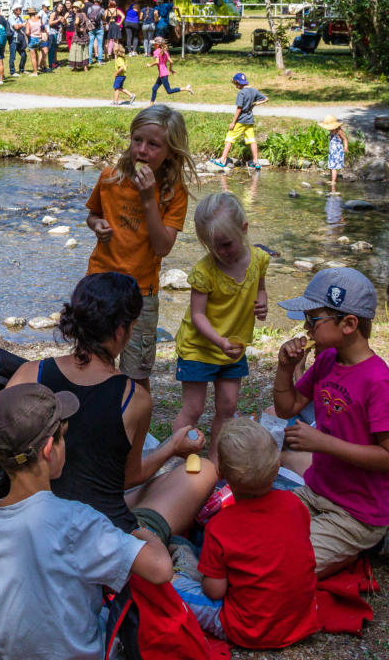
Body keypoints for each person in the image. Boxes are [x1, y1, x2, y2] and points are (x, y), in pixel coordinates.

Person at [0, 273, 217, 544]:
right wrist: (171, 448)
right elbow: (128, 478)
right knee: (205, 471)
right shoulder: (135, 398)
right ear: (121, 331)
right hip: (101, 531)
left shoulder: (30, 374)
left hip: (40, 520)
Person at [0, 381, 174, 660]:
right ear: (49, 449)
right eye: (64, 437)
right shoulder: (76, 520)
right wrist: (143, 532)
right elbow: (160, 570)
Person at [275, 267, 389, 577]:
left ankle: (372, 543)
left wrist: (324, 443)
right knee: (258, 534)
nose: (306, 329)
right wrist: (285, 368)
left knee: (285, 567)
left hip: (356, 515)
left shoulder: (377, 381)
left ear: (349, 323)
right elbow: (287, 408)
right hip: (316, 492)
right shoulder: (327, 360)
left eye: (313, 320)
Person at [172, 418, 318, 649]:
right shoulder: (294, 503)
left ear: (221, 475)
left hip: (248, 628)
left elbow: (215, 590)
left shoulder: (220, 526)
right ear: (278, 465)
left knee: (169, 586)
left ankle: (181, 557)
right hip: (300, 620)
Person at [86, 105, 196, 386]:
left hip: (141, 294)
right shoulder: (111, 176)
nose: (142, 150)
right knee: (91, 364)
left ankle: (134, 428)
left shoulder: (174, 193)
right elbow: (93, 214)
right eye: (138, 140)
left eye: (153, 144)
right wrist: (96, 225)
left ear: (171, 151)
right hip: (99, 283)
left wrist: (149, 199)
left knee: (136, 375)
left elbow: (162, 248)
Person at [172, 192, 269, 463]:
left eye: (226, 244)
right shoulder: (205, 272)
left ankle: (215, 462)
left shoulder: (259, 260)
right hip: (200, 348)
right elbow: (198, 316)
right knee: (193, 409)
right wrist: (219, 341)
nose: (221, 253)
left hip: (233, 348)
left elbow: (260, 289)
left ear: (244, 229)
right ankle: (178, 457)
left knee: (228, 407)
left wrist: (262, 302)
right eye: (213, 247)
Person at [211, 72, 268, 170]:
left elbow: (239, 109)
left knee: (229, 138)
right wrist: (255, 104)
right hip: (250, 120)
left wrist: (233, 122)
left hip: (241, 120)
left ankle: (222, 159)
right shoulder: (254, 90)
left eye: (234, 83)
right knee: (252, 140)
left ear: (237, 82)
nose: (235, 85)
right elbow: (266, 99)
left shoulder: (241, 93)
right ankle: (256, 161)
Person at [147, 36, 193, 102]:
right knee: (154, 89)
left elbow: (157, 62)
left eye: (153, 43)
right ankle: (151, 106)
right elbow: (171, 61)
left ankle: (186, 88)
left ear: (157, 44)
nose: (153, 45)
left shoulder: (156, 51)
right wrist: (170, 69)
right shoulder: (165, 52)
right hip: (163, 73)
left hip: (163, 74)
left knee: (169, 91)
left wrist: (150, 65)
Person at [318, 114, 349, 194]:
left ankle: (333, 181)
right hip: (332, 152)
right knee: (330, 166)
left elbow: (345, 139)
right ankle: (331, 179)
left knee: (334, 167)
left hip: (337, 152)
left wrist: (345, 148)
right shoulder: (331, 131)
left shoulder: (339, 131)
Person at [67, 0, 89, 71]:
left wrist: (78, 28)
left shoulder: (78, 15)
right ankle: (85, 67)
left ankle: (75, 67)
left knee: (76, 50)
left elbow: (76, 23)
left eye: (74, 8)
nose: (73, 9)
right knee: (84, 50)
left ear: (77, 8)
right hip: (84, 35)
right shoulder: (83, 14)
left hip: (78, 35)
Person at [24, 7, 44, 77]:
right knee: (36, 53)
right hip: (39, 38)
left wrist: (27, 33)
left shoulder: (28, 22)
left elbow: (27, 32)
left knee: (33, 57)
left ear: (29, 14)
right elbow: (43, 28)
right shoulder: (39, 20)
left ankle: (35, 72)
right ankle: (37, 68)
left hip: (32, 38)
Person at [86, 0, 105, 66]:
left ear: (94, 0)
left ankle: (89, 61)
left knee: (90, 44)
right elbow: (103, 18)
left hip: (91, 27)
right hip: (99, 28)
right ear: (100, 1)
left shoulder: (89, 8)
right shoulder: (101, 9)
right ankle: (99, 61)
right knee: (100, 44)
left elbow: (88, 16)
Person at [9, 5, 27, 77]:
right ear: (15, 10)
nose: (21, 10)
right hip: (13, 39)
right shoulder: (11, 18)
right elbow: (16, 27)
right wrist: (23, 24)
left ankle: (21, 69)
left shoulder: (19, 18)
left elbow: (21, 27)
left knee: (24, 55)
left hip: (20, 39)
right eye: (19, 9)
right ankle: (12, 72)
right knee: (12, 56)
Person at [48, 0, 64, 69]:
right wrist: (58, 20)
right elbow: (50, 23)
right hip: (52, 33)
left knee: (55, 48)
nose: (60, 8)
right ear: (56, 6)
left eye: (62, 7)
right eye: (59, 7)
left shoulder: (59, 14)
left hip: (57, 32)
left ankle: (54, 62)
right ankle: (51, 64)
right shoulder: (54, 13)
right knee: (51, 49)